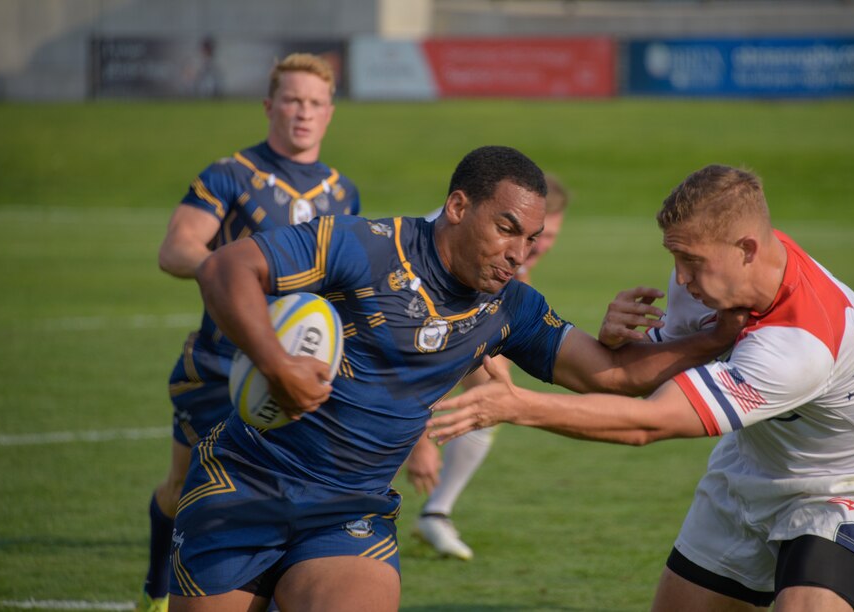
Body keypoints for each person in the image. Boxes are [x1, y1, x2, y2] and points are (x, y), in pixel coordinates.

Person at [168, 146, 743, 611]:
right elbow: (226, 267)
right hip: (243, 486)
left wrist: (714, 339)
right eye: (507, 229)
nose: (519, 253)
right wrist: (277, 365)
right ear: (459, 206)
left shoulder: (511, 308)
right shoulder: (362, 246)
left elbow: (614, 374)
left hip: (348, 512)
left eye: (531, 240)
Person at [431, 165, 854, 612]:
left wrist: (516, 405)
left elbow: (650, 423)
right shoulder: (717, 273)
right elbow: (633, 379)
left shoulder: (798, 347)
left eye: (691, 261)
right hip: (747, 471)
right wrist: (615, 344)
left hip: (839, 490)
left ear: (746, 249)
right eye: (675, 257)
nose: (680, 278)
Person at [136, 52, 360, 612]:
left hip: (302, 369)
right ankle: (157, 589)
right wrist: (243, 272)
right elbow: (177, 249)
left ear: (330, 112)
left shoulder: (342, 192)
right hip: (220, 367)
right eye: (291, 99)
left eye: (314, 103)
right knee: (184, 490)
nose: (302, 112)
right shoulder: (229, 174)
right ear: (269, 106)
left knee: (282, 497)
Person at [406, 174, 570, 561]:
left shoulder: (510, 248)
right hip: (392, 348)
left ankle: (435, 511)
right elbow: (411, 358)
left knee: (493, 394)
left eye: (546, 237)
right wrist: (418, 443)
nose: (538, 247)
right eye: (536, 235)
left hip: (439, 335)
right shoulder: (450, 250)